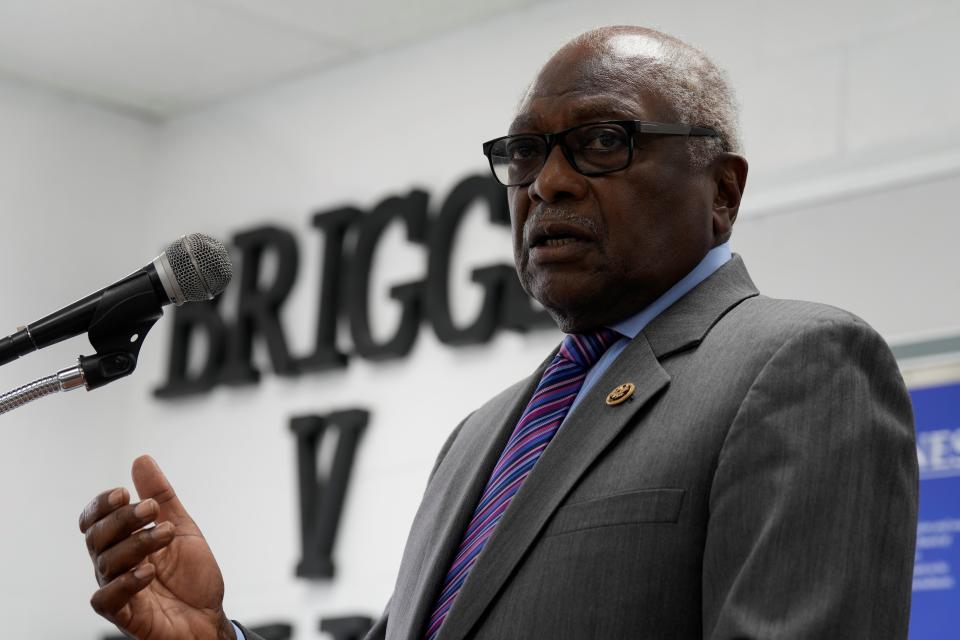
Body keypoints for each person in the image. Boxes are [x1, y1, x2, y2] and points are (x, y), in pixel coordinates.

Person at [79, 25, 919, 640]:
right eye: (524, 154)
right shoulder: (481, 435)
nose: (547, 183)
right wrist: (213, 635)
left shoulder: (799, 364)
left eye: (600, 143)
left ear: (722, 190)